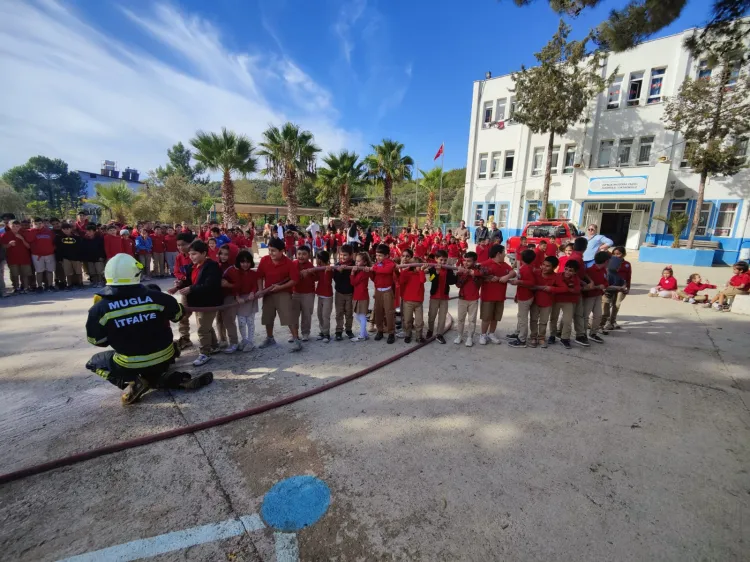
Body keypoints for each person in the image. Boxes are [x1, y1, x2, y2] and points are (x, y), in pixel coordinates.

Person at [85, 253, 213, 405]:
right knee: (154, 363)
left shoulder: (99, 308)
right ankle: (167, 379)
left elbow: (97, 340)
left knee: (94, 362)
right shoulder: (158, 298)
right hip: (165, 356)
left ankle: (134, 382)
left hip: (131, 363)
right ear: (137, 273)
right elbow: (179, 315)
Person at [175, 239, 223, 366]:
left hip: (209, 302)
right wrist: (180, 285)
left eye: (194, 254)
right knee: (206, 326)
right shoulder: (193, 266)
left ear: (204, 253)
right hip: (197, 302)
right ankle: (214, 346)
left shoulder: (211, 266)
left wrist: (191, 289)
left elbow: (210, 285)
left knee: (202, 328)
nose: (191, 257)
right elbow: (190, 281)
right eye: (190, 254)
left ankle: (205, 353)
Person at [256, 237, 301, 351]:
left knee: (288, 317)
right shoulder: (264, 260)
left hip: (283, 293)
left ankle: (296, 340)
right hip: (268, 293)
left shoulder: (289, 263)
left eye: (274, 250)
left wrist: (280, 287)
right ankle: (270, 338)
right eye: (269, 250)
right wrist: (261, 290)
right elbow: (259, 276)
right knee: (268, 317)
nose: (271, 253)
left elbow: (294, 280)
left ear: (282, 251)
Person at [479, 244, 515, 344]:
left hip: (500, 296)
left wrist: (507, 276)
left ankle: (491, 333)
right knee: (486, 317)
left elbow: (513, 273)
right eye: (504, 252)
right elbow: (479, 276)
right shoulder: (485, 264)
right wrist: (488, 278)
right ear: (499, 254)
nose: (505, 254)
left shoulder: (504, 264)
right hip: (488, 296)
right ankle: (483, 335)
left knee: (495, 317)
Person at [169, 233, 197, 350]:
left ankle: (210, 341)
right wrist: (182, 280)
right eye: (178, 245)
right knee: (183, 316)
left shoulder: (197, 255)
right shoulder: (179, 257)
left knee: (202, 318)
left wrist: (185, 280)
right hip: (186, 291)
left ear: (191, 244)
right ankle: (185, 339)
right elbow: (176, 272)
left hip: (198, 290)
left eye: (183, 245)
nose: (180, 248)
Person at [548, 260, 581, 350]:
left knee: (567, 320)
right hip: (556, 300)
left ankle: (565, 338)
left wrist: (565, 289)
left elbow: (577, 290)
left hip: (569, 301)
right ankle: (552, 335)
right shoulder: (558, 276)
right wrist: (565, 289)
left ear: (575, 272)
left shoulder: (576, 279)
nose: (567, 272)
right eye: (566, 269)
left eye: (570, 271)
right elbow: (552, 286)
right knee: (553, 318)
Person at [426, 250, 457, 344]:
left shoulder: (449, 269)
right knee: (432, 315)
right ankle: (430, 330)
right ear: (436, 259)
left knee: (442, 316)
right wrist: (437, 272)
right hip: (434, 296)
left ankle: (439, 334)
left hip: (444, 297)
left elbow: (452, 281)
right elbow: (430, 280)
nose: (443, 262)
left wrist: (456, 274)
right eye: (441, 260)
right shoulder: (432, 269)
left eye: (445, 260)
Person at [507, 249, 536, 348]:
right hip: (522, 295)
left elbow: (531, 283)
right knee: (520, 316)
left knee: (523, 319)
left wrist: (518, 282)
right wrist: (516, 295)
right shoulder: (527, 267)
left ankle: (522, 339)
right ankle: (518, 332)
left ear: (521, 258)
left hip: (525, 296)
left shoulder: (526, 269)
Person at [369, 244, 397, 343]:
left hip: (387, 291)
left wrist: (375, 269)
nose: (377, 257)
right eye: (376, 255)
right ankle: (380, 330)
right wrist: (370, 272)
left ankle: (391, 333)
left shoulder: (390, 263)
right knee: (378, 312)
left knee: (389, 313)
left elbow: (387, 270)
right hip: (378, 291)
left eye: (380, 255)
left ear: (387, 256)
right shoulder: (376, 264)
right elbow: (374, 278)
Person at [215, 245, 240, 353]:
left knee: (228, 319)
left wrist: (228, 285)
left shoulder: (234, 268)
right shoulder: (217, 266)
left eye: (226, 254)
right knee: (219, 319)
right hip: (219, 296)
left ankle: (234, 342)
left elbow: (239, 285)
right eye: (221, 253)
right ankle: (222, 339)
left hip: (230, 296)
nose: (223, 256)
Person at [582, 251, 611, 344]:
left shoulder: (603, 271)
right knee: (585, 316)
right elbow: (586, 286)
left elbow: (606, 282)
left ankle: (593, 333)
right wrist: (598, 286)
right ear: (606, 261)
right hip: (589, 296)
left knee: (598, 315)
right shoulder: (590, 271)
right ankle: (582, 334)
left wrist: (603, 286)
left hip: (598, 295)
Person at [454, 251, 481, 346]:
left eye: (469, 261)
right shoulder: (461, 271)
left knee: (472, 320)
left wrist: (471, 273)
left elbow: (479, 282)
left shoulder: (478, 271)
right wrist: (462, 274)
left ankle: (470, 338)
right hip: (462, 298)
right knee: (460, 319)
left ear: (474, 262)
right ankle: (459, 336)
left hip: (473, 299)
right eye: (465, 260)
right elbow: (458, 285)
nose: (466, 263)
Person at [601, 246, 631, 330]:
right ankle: (605, 322)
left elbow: (628, 276)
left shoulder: (627, 264)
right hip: (611, 286)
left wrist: (628, 287)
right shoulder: (609, 263)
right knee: (606, 305)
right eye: (614, 254)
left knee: (616, 304)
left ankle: (612, 321)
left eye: (618, 254)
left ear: (624, 254)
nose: (616, 255)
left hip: (621, 287)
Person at [399, 249, 426, 344]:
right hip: (408, 301)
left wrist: (421, 271)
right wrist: (403, 269)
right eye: (414, 264)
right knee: (407, 320)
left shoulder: (420, 274)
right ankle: (408, 334)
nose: (416, 267)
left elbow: (423, 281)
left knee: (419, 321)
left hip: (419, 302)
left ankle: (419, 336)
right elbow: (401, 281)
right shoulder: (407, 273)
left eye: (418, 265)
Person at [291, 245, 316, 344]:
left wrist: (310, 273)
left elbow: (316, 278)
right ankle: (294, 334)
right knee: (293, 315)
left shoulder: (311, 266)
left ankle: (305, 333)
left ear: (309, 255)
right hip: (295, 293)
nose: (301, 256)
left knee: (307, 314)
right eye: (299, 254)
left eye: (304, 254)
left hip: (308, 294)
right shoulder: (293, 264)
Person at [1, 219, 32, 294]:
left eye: (17, 226)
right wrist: (9, 244)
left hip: (24, 257)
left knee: (25, 274)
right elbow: (2, 246)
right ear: (9, 226)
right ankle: (16, 288)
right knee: (14, 274)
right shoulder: (5, 235)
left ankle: (26, 287)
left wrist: (22, 239)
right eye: (13, 226)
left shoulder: (24, 233)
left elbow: (29, 246)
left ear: (20, 226)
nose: (15, 228)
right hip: (12, 257)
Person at [28, 217, 57, 292]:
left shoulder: (49, 231)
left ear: (43, 223)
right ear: (32, 224)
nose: (38, 225)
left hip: (49, 254)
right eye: (36, 224)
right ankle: (40, 286)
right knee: (39, 271)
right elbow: (29, 240)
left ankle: (50, 285)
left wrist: (52, 249)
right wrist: (34, 230)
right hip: (37, 255)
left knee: (50, 271)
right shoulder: (31, 231)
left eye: (40, 223)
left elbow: (54, 241)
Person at [350, 252, 372, 342]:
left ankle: (362, 335)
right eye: (356, 261)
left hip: (361, 296)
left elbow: (353, 282)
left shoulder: (363, 272)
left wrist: (352, 273)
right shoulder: (361, 271)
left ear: (365, 262)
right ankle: (365, 334)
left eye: (359, 261)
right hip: (358, 295)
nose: (356, 263)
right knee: (357, 316)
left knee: (361, 316)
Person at [313, 250, 334, 343]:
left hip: (327, 296)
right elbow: (316, 278)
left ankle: (326, 334)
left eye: (317, 259)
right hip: (320, 295)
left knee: (325, 316)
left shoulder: (329, 269)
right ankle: (322, 331)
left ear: (320, 260)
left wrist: (326, 272)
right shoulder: (319, 268)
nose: (316, 260)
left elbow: (327, 282)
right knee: (319, 315)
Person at [57, 222, 83, 289]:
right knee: (68, 272)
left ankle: (80, 283)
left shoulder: (76, 238)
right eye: (64, 229)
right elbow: (58, 249)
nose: (66, 230)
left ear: (70, 229)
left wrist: (81, 258)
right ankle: (69, 285)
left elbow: (80, 248)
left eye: (67, 229)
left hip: (76, 258)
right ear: (62, 230)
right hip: (66, 258)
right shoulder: (59, 238)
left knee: (78, 271)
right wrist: (59, 259)